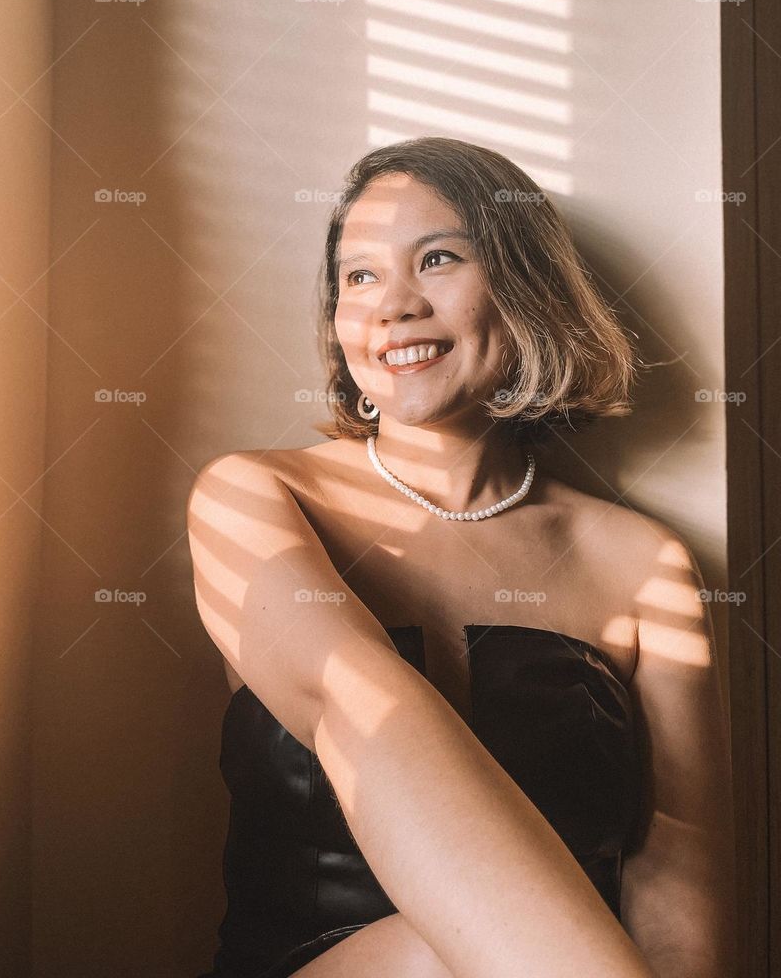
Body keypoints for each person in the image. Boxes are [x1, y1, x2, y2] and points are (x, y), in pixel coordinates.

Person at [187, 136, 736, 978]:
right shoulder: (255, 498)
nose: (392, 305)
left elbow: (675, 868)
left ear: (525, 289)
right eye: (359, 276)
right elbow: (355, 711)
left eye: (436, 259)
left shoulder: (645, 564)